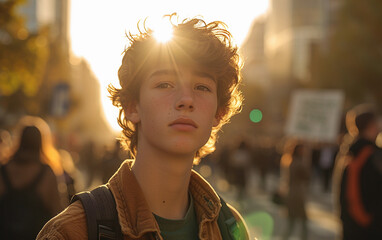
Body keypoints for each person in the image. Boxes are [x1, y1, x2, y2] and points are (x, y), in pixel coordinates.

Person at [37, 13, 250, 239]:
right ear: (132, 107)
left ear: (219, 112)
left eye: (202, 87)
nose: (186, 99)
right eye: (165, 84)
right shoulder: (73, 231)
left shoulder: (229, 225)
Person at [0, 116, 65, 240]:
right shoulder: (47, 173)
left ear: (20, 141)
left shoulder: (4, 170)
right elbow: (58, 213)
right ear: (41, 142)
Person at [338, 106, 382, 240]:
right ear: (371, 125)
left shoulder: (348, 152)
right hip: (369, 226)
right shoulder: (371, 155)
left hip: (352, 224)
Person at [282, 143, 311, 240]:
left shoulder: (289, 160)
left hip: (292, 193)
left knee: (292, 222)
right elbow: (306, 176)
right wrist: (307, 161)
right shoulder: (298, 163)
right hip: (297, 195)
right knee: (301, 221)